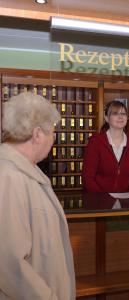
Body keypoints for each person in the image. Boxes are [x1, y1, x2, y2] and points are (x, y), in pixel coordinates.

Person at [0, 92, 75, 299]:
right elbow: (8, 263)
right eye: (53, 132)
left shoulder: (27, 171)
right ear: (37, 134)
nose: (54, 139)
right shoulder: (9, 177)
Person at [82, 100, 129, 192]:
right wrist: (103, 199)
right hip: (100, 201)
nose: (120, 117)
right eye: (115, 113)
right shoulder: (95, 141)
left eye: (123, 114)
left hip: (126, 202)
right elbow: (88, 178)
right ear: (106, 118)